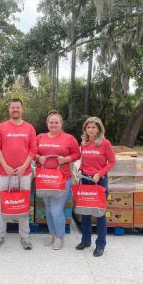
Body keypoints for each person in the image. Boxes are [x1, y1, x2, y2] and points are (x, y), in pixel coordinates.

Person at [0, 98, 37, 250]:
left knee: (23, 205)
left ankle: (25, 236)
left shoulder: (29, 128)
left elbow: (33, 149)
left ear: (22, 109)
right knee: (2, 204)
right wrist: (6, 166)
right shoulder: (1, 127)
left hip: (24, 174)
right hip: (4, 173)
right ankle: (0, 235)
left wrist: (24, 166)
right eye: (13, 108)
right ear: (9, 110)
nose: (15, 110)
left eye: (18, 107)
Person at [35, 110, 80, 250]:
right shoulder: (40, 137)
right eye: (51, 122)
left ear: (61, 124)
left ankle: (60, 237)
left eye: (56, 122)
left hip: (62, 179)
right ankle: (52, 233)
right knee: (48, 209)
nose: (53, 124)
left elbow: (77, 154)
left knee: (56, 210)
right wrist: (38, 157)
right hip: (44, 179)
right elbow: (32, 151)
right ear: (47, 123)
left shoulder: (69, 138)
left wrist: (66, 159)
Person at [76, 116, 115, 257]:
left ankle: (100, 244)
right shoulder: (84, 143)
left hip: (99, 182)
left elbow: (111, 162)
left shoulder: (105, 143)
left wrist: (100, 173)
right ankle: (85, 240)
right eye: (88, 127)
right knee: (85, 213)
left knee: (100, 215)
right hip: (86, 181)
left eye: (93, 127)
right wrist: (80, 169)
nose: (91, 129)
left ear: (99, 128)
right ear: (85, 129)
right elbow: (83, 162)